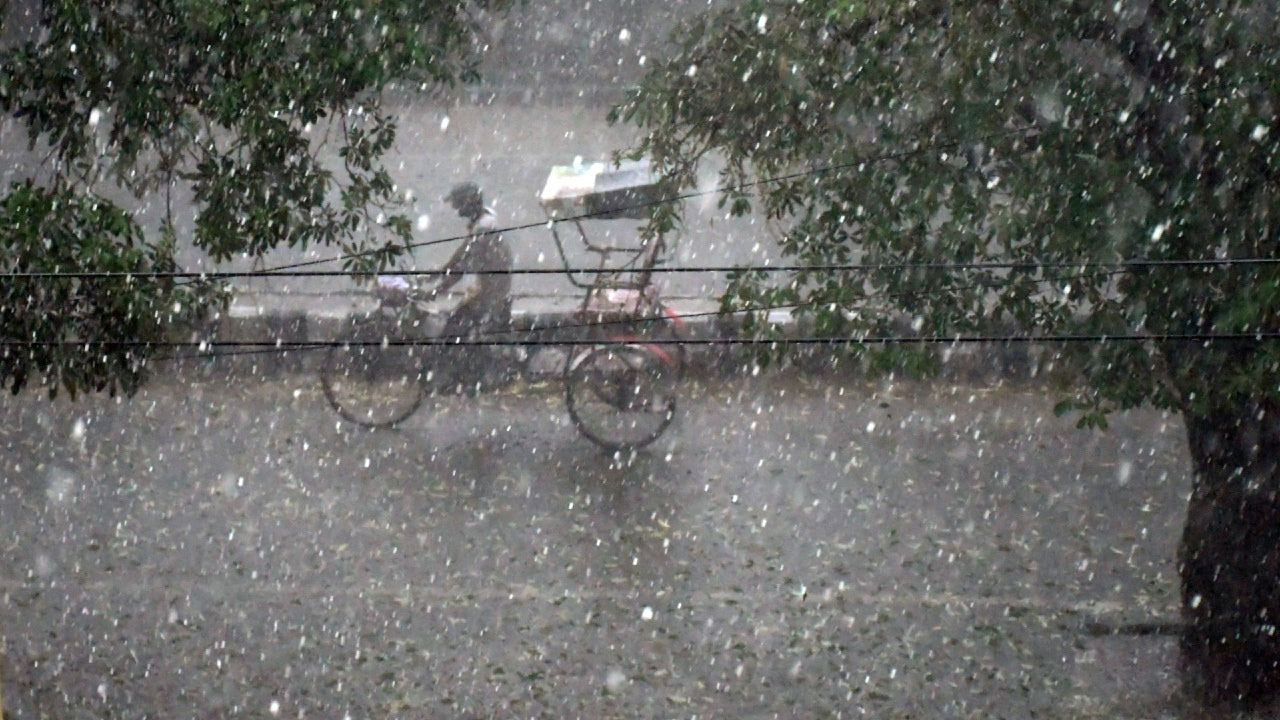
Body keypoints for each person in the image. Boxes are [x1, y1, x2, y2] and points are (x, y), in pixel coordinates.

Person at [431, 182, 515, 389]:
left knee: (452, 330)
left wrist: (438, 290)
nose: (457, 210)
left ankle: (459, 380)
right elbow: (462, 252)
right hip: (489, 285)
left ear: (468, 204)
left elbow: (464, 265)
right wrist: (439, 272)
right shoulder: (484, 219)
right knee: (460, 328)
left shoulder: (484, 228)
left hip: (491, 290)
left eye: (459, 205)